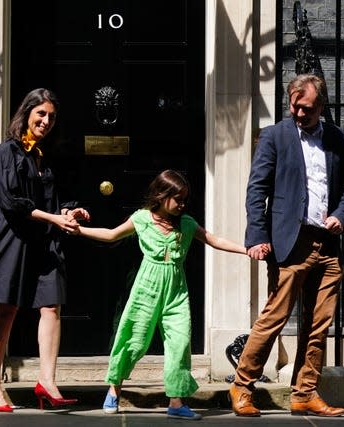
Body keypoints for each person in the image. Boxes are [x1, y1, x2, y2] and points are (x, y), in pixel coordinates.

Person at [229, 73, 344, 417]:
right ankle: (242, 386)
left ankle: (304, 392)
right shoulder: (275, 136)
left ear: (321, 106)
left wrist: (341, 215)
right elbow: (257, 190)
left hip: (327, 244)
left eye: (307, 109)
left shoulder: (336, 139)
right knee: (274, 317)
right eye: (295, 106)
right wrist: (257, 236)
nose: (299, 114)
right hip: (291, 241)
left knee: (318, 324)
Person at [74, 169, 248, 421]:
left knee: (179, 343)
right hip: (147, 288)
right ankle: (114, 388)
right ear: (161, 195)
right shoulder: (142, 218)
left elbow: (213, 239)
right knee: (133, 339)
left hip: (176, 291)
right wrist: (80, 231)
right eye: (177, 199)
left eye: (185, 199)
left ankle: (176, 402)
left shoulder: (186, 224)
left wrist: (246, 250)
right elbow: (111, 235)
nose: (182, 204)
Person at [0, 88, 91, 412]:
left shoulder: (41, 156)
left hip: (41, 244)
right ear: (27, 113)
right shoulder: (7, 152)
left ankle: (47, 381)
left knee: (51, 306)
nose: (46, 121)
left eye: (51, 117)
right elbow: (12, 203)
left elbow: (51, 201)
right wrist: (52, 218)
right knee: (6, 313)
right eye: (41, 114)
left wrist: (68, 213)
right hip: (10, 243)